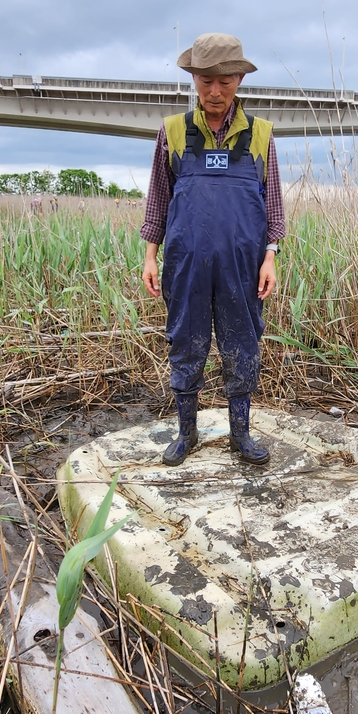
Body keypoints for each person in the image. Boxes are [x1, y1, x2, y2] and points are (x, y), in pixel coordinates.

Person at [140, 32, 285, 467]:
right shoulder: (172, 132)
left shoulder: (261, 135)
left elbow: (274, 203)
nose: (214, 92)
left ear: (240, 78)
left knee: (242, 344)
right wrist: (150, 254)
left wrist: (270, 256)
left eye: (224, 81)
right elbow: (158, 198)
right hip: (186, 264)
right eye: (205, 81)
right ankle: (187, 434)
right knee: (186, 343)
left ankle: (240, 436)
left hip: (243, 266)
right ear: (193, 79)